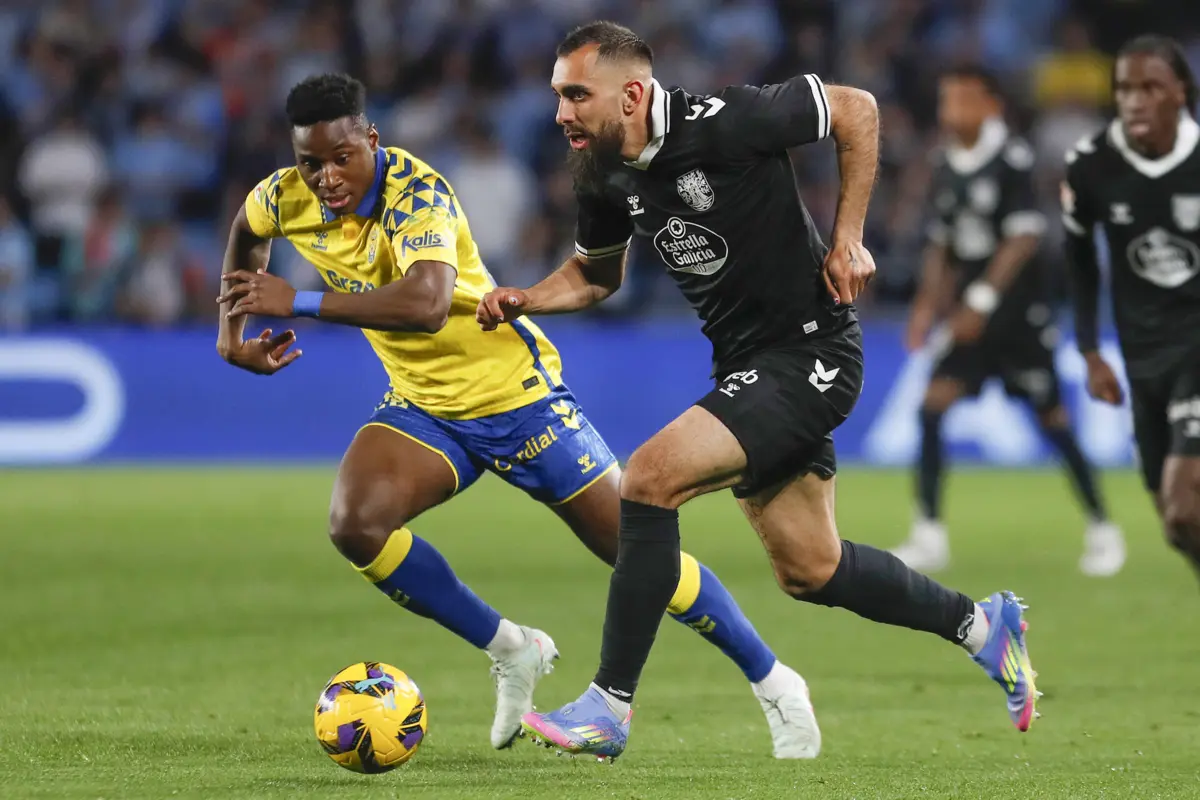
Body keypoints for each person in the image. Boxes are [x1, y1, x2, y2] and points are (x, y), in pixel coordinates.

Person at [214, 73, 820, 759]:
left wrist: (296, 301)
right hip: (426, 407)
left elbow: (424, 302)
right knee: (356, 525)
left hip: (516, 397)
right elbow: (246, 230)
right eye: (309, 163)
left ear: (371, 141)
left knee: (634, 549)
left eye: (340, 158)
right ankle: (512, 648)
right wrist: (231, 335)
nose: (325, 177)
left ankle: (774, 681)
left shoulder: (419, 193)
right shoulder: (283, 197)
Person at [477, 22, 1038, 761]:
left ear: (633, 93)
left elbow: (857, 109)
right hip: (745, 367)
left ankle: (608, 706)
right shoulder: (603, 171)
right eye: (557, 95)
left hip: (811, 355)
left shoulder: (731, 120)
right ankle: (981, 627)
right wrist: (526, 297)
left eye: (577, 94)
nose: (561, 113)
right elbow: (594, 276)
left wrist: (849, 237)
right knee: (812, 568)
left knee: (646, 480)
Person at [893, 64, 1125, 577]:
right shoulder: (944, 162)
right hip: (968, 320)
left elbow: (1024, 237)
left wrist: (978, 300)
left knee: (1054, 423)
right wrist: (926, 307)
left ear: (991, 106)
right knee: (931, 409)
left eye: (963, 100)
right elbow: (942, 244)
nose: (951, 111)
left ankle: (1103, 527)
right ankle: (929, 533)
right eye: (946, 100)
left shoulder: (1012, 160)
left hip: (1019, 317)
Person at [1062, 35, 1200, 580]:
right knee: (1176, 523)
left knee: (1185, 495)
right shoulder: (1091, 164)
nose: (1135, 99)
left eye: (1151, 87)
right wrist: (1092, 350)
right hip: (1142, 357)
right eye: (1125, 88)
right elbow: (1079, 263)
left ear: (1181, 93)